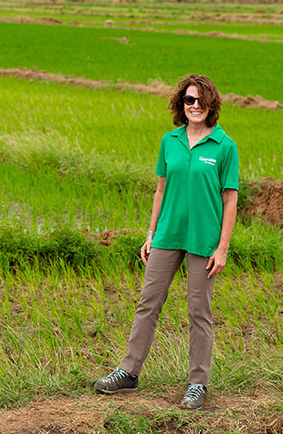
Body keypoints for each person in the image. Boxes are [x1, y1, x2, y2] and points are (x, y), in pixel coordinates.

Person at [94, 73, 238, 410]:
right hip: (168, 235)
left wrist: (222, 248)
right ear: (181, 104)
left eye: (201, 100)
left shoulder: (224, 146)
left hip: (203, 239)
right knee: (148, 302)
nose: (195, 106)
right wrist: (150, 233)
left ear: (211, 104)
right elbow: (160, 190)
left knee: (198, 311)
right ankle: (128, 372)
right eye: (189, 100)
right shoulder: (169, 141)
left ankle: (197, 384)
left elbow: (230, 199)